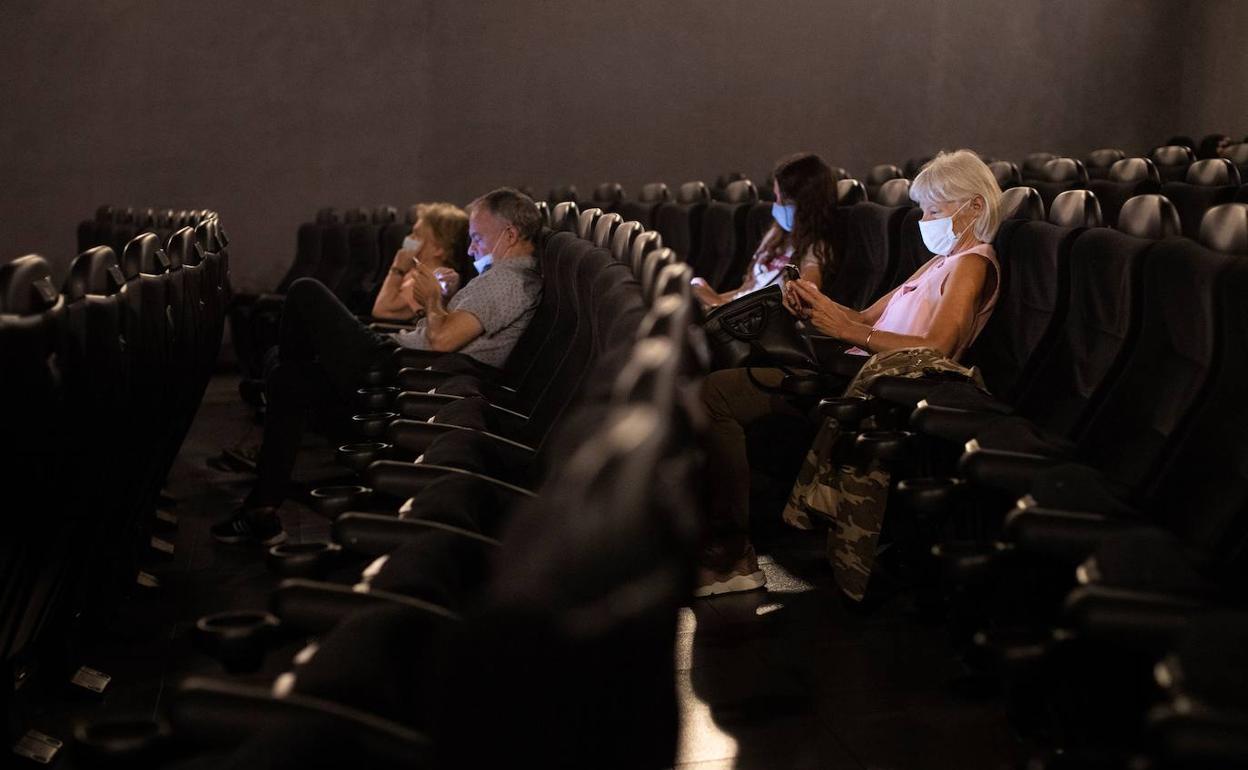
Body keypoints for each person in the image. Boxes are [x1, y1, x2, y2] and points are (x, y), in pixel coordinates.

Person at [696, 150, 1002, 598]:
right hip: (850, 369)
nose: (924, 220)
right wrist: (815, 306)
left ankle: (732, 557)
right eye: (922, 209)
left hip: (882, 390)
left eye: (934, 210)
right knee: (712, 392)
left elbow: (938, 347)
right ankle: (726, 549)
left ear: (974, 206)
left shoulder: (973, 262)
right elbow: (863, 317)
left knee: (714, 396)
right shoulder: (938, 262)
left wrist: (841, 328)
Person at [211, 187, 543, 545]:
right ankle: (262, 509)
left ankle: (279, 390)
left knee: (306, 293)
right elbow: (449, 335)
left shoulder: (509, 281)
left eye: (477, 238)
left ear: (510, 234)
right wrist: (440, 303)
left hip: (399, 369)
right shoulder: (502, 278)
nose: (470, 249)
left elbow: (443, 342)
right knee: (289, 380)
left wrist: (432, 300)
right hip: (405, 363)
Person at [691, 153, 836, 309]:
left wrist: (716, 303)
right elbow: (746, 290)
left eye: (782, 200)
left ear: (804, 203)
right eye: (776, 197)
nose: (777, 205)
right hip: (735, 315)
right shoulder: (775, 236)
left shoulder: (815, 248)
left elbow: (804, 296)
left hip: (758, 323)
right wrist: (712, 299)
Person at [370, 202, 471, 322]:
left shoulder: (433, 279)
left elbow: (381, 311)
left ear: (438, 249)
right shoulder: (414, 272)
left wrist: (397, 269)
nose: (409, 239)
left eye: (417, 235)